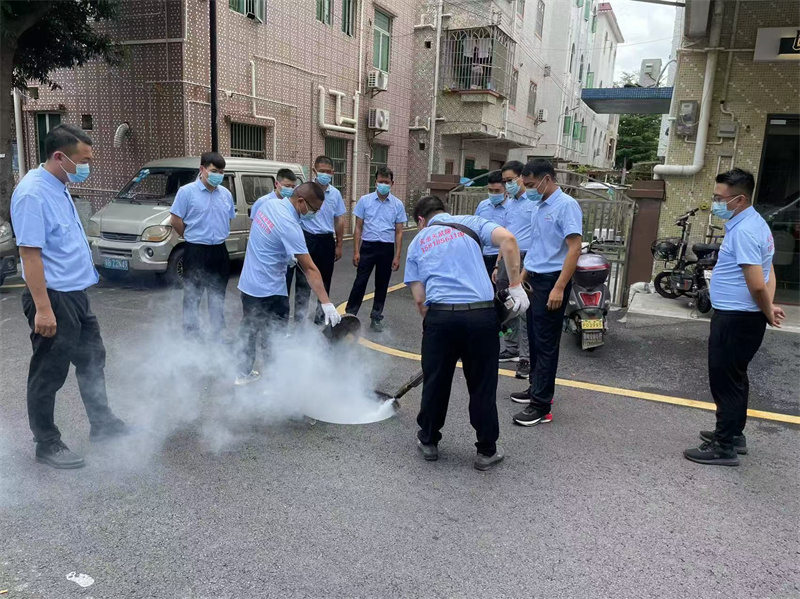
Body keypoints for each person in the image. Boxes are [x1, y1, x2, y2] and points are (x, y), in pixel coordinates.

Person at [11, 124, 127, 469]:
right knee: (49, 371)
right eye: (84, 160)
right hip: (54, 298)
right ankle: (46, 443)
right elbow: (30, 254)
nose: (87, 166)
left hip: (76, 295)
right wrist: (43, 310)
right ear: (60, 157)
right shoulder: (33, 193)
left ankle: (102, 424)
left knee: (92, 360)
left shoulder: (58, 185)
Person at [404, 195, 530, 471]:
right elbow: (509, 240)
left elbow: (419, 300)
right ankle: (486, 450)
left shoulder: (417, 243)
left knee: (436, 383)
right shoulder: (471, 223)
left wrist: (436, 327)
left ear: (421, 220)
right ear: (445, 212)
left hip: (440, 317)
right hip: (481, 317)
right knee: (482, 385)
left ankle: (429, 441)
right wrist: (515, 285)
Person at [684, 168, 785, 466]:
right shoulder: (755, 223)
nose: (715, 203)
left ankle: (723, 446)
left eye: (720, 198)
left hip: (735, 318)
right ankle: (733, 434)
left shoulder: (744, 231)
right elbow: (768, 270)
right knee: (736, 377)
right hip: (743, 316)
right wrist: (768, 306)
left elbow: (757, 283)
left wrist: (767, 309)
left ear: (739, 200)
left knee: (725, 381)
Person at [236, 182, 342, 385]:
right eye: (314, 210)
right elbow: (310, 269)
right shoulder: (290, 225)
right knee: (274, 336)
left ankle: (243, 373)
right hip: (270, 289)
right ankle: (273, 382)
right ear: (301, 201)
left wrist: (285, 255)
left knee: (249, 329)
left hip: (248, 284)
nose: (314, 215)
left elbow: (266, 236)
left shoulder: (268, 205)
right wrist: (326, 303)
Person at [510, 159, 583, 427]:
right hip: (535, 279)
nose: (528, 190)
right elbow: (537, 247)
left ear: (547, 179)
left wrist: (559, 287)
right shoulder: (539, 206)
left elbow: (574, 248)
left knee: (546, 343)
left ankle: (541, 405)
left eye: (531, 184)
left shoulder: (566, 206)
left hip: (552, 281)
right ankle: (535, 388)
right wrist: (521, 278)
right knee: (534, 338)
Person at [169, 152, 235, 340]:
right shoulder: (187, 192)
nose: (218, 175)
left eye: (221, 172)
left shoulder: (226, 194)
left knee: (218, 293)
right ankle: (191, 334)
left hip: (219, 250)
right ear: (202, 169)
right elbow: (175, 220)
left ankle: (218, 332)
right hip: (196, 250)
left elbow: (228, 218)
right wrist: (190, 236)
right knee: (193, 293)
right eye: (214, 171)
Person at [345, 166, 407, 332]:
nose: (383, 185)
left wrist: (397, 256)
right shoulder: (364, 201)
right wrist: (356, 251)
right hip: (368, 246)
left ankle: (376, 316)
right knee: (360, 282)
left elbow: (399, 232)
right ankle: (350, 314)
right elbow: (358, 227)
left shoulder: (397, 204)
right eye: (380, 181)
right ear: (375, 182)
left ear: (392, 183)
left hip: (386, 248)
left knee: (382, 284)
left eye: (386, 182)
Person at [287, 156, 345, 325]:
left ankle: (321, 318)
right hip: (307, 238)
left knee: (325, 280)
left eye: (328, 171)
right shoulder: (304, 190)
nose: (325, 174)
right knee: (303, 281)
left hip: (326, 241)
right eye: (321, 171)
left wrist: (339, 244)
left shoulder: (335, 194)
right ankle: (299, 321)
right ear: (314, 171)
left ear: (333, 172)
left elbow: (339, 220)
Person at [496, 160, 535, 379]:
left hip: (526, 257)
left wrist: (527, 267)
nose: (507, 185)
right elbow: (505, 235)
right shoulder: (509, 203)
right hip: (507, 258)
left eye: (510, 180)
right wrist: (498, 263)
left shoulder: (534, 201)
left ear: (521, 178)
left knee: (524, 308)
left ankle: (525, 357)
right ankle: (511, 347)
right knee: (507, 304)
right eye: (505, 181)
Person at [474, 170, 510, 281]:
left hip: (501, 257)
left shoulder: (511, 208)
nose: (493, 194)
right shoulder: (483, 205)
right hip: (482, 256)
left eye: (497, 191)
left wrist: (498, 265)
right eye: (490, 190)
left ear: (506, 189)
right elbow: (475, 228)